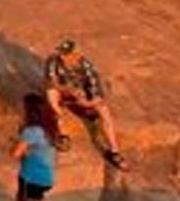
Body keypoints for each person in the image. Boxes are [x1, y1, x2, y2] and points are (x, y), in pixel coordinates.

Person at [43, 36, 127, 170]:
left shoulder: (87, 67)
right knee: (51, 92)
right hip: (65, 93)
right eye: (62, 53)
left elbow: (97, 94)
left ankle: (114, 151)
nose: (62, 57)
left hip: (82, 98)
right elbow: (51, 82)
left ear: (76, 56)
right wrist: (69, 91)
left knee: (104, 112)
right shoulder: (53, 61)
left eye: (66, 54)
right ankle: (61, 134)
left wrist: (87, 103)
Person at [11, 93, 58, 201]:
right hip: (42, 176)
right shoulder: (47, 127)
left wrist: (21, 147)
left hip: (33, 177)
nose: (19, 109)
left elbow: (15, 154)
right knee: (22, 200)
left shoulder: (31, 132)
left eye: (22, 107)